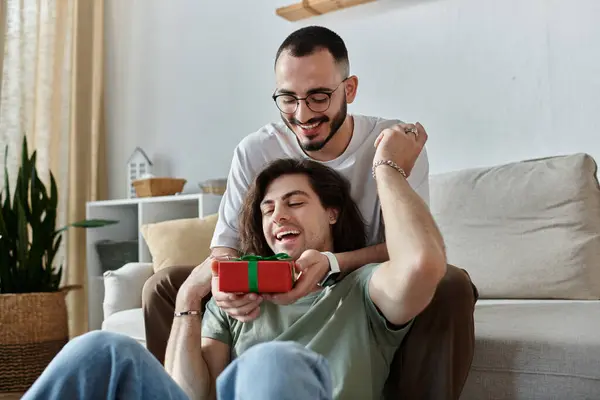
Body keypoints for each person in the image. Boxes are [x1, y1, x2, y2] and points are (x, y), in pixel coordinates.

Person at [143, 25, 478, 398]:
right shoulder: (256, 149)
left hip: (362, 282)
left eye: (318, 97)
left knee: (448, 283)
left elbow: (409, 255)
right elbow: (225, 249)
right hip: (276, 276)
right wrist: (219, 291)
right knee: (166, 285)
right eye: (288, 98)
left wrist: (332, 261)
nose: (302, 113)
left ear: (349, 89)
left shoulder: (390, 145)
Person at [23, 124, 448, 399]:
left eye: (295, 202)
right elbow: (189, 395)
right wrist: (192, 295)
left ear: (332, 212)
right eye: (267, 210)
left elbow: (422, 262)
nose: (278, 215)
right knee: (99, 349)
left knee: (272, 362)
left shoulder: (363, 289)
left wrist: (387, 166)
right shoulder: (235, 301)